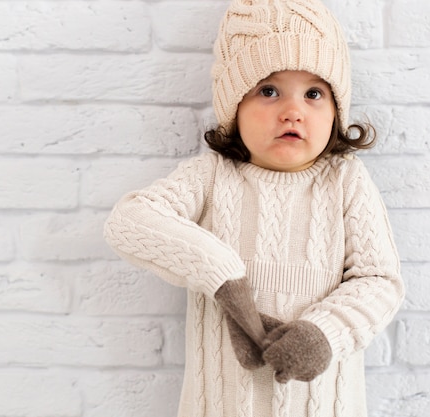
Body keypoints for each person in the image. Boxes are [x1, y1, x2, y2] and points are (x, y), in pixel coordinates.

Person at [103, 0, 405, 416]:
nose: (293, 111)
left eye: (314, 93)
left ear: (336, 111)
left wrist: (323, 334)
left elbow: (380, 281)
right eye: (269, 90)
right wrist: (223, 273)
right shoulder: (212, 176)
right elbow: (130, 222)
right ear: (235, 106)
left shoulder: (345, 181)